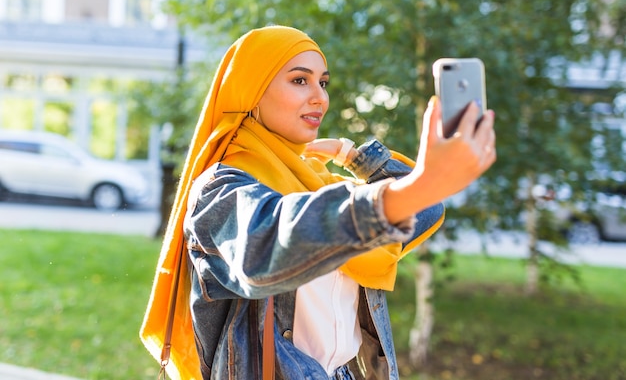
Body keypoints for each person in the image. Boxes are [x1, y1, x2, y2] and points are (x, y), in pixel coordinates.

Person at [140, 25, 496, 380]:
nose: (320, 98)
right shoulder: (221, 189)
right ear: (252, 90)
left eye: (322, 83)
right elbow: (271, 242)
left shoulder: (315, 181)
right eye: (299, 80)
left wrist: (354, 157)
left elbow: (425, 209)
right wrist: (412, 189)